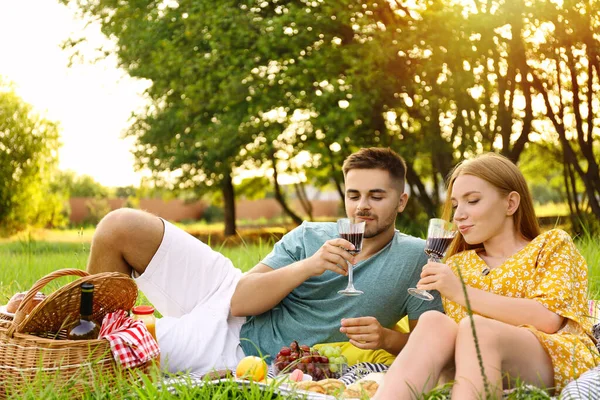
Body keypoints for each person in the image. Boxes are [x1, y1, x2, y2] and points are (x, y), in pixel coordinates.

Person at [86, 147, 443, 375]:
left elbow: (431, 343)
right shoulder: (311, 236)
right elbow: (239, 298)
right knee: (119, 226)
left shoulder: (416, 257)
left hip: (239, 342)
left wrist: (386, 338)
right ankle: (80, 322)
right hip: (230, 290)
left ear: (402, 202)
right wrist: (310, 265)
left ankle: (71, 345)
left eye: (376, 196)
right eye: (354, 195)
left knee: (107, 355)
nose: (362, 206)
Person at [373, 153, 599, 399]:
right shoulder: (458, 264)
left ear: (510, 204)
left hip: (552, 358)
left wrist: (459, 291)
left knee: (478, 328)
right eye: (456, 204)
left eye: (473, 201)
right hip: (477, 364)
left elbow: (548, 319)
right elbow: (457, 337)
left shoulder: (551, 245)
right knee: (432, 321)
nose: (458, 214)